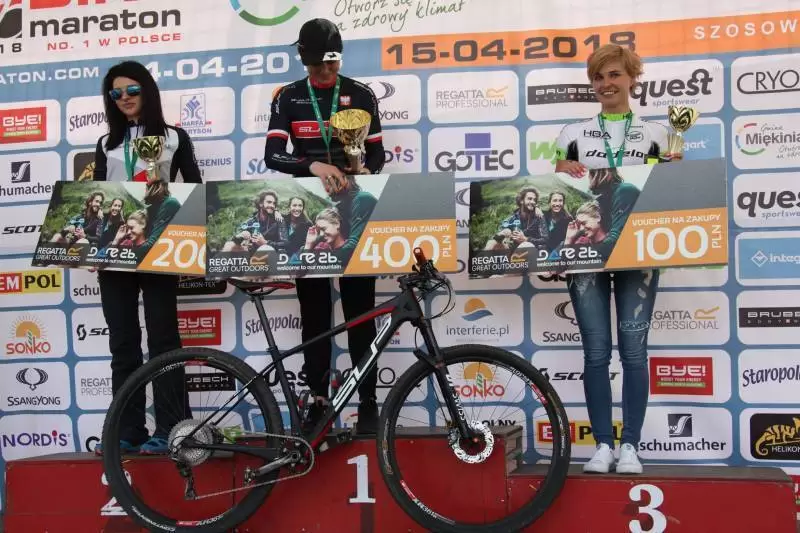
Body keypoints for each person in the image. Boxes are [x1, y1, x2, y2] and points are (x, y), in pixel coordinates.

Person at [554, 44, 681, 475]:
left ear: (631, 78)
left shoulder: (658, 134)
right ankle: (602, 445)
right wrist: (563, 172)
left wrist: (674, 171)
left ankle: (631, 447)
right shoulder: (572, 134)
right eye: (598, 77)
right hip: (587, 253)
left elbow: (669, 195)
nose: (606, 84)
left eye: (613, 75)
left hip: (639, 251)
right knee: (595, 353)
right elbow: (561, 190)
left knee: (633, 352)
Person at [264, 18, 384, 435]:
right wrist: (313, 165)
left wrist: (362, 169)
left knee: (360, 314)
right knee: (314, 315)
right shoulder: (289, 96)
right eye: (318, 65)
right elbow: (273, 155)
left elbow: (378, 155)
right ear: (304, 60)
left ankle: (367, 401)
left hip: (353, 211)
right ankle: (317, 400)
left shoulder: (362, 94)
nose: (327, 71)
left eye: (332, 62)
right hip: (310, 216)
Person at [91, 60, 202, 455]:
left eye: (132, 90)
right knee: (123, 342)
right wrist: (92, 245)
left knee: (164, 340)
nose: (124, 98)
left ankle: (172, 427)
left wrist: (165, 194)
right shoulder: (106, 143)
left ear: (148, 92)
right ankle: (129, 430)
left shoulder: (174, 137)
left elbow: (196, 190)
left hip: (160, 246)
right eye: (116, 93)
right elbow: (97, 198)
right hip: (116, 251)